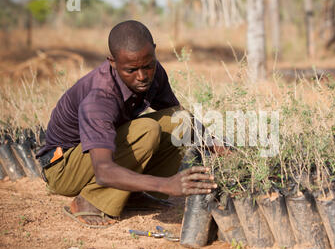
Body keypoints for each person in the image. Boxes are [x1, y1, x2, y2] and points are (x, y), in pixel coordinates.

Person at [36, 20, 223, 228]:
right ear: (112, 62)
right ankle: (88, 201)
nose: (142, 76)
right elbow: (104, 170)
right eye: (131, 70)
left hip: (98, 151)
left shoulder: (154, 72)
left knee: (182, 121)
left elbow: (177, 120)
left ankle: (132, 195)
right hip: (64, 167)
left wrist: (216, 144)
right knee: (147, 131)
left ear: (153, 51)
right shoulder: (100, 97)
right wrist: (165, 185)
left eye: (148, 66)